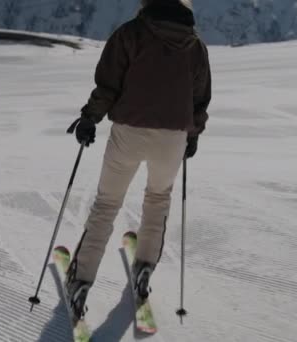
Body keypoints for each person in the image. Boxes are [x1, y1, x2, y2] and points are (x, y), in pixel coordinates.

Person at [65, 0, 212, 320]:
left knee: (106, 204)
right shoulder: (195, 45)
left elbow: (108, 84)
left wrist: (90, 118)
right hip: (172, 137)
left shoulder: (130, 34)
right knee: (158, 198)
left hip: (129, 132)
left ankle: (81, 280)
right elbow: (199, 96)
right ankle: (145, 267)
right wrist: (193, 133)